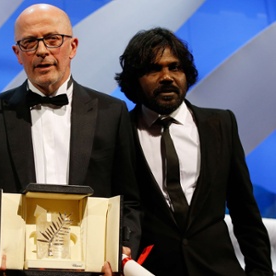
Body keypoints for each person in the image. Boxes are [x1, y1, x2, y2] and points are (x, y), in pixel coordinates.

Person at [0, 3, 141, 275]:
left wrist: (123, 250)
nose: (42, 51)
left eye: (52, 39)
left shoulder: (112, 112)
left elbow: (130, 199)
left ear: (73, 46)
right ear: (17, 53)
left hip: (92, 271)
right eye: (30, 42)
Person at [115, 27, 273, 275]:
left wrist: (261, 272)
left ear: (186, 73)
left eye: (174, 67)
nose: (166, 76)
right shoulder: (118, 131)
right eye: (154, 69)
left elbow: (245, 213)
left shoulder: (221, 124)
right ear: (134, 80)